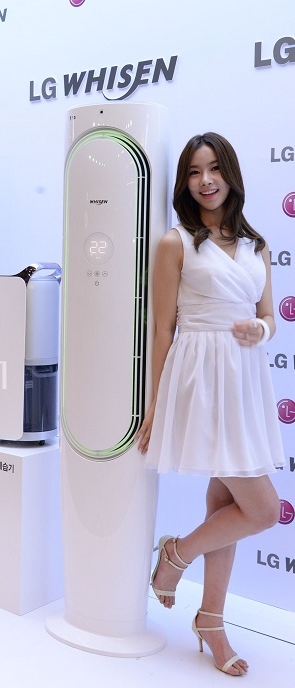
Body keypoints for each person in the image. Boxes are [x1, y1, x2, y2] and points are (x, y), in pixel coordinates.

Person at [136, 133, 285, 676]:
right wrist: (154, 404)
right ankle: (174, 557)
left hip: (244, 376)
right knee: (262, 510)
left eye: (215, 168)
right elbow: (162, 328)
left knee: (228, 504)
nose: (206, 180)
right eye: (195, 171)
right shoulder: (175, 242)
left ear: (230, 175)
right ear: (185, 182)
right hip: (200, 374)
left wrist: (260, 330)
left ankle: (210, 619)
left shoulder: (256, 244)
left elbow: (269, 315)